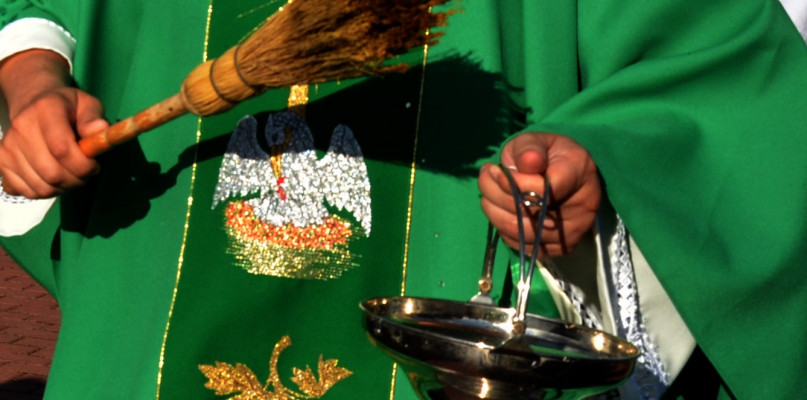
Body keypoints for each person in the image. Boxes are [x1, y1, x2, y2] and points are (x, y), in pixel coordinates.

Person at [1, 1, 806, 399]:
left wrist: (593, 162)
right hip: (161, 289)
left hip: (455, 280)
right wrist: (35, 81)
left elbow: (719, 72)